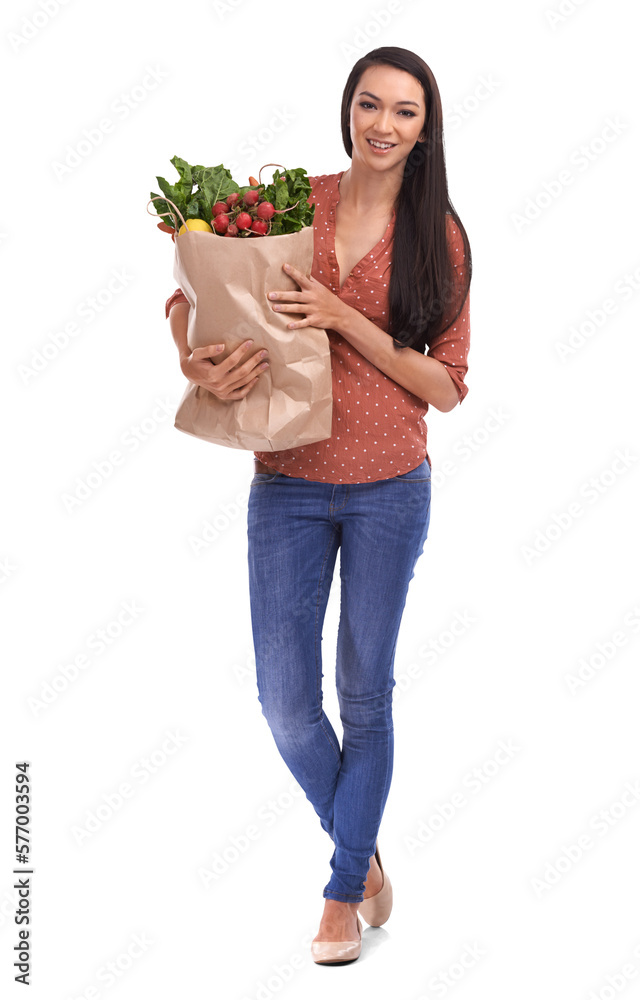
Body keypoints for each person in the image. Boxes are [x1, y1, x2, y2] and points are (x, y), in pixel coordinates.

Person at [165, 45, 471, 965]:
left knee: (363, 696)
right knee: (285, 705)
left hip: (389, 491)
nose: (383, 124)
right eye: (369, 105)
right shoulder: (301, 198)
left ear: (427, 128)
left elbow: (449, 388)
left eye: (405, 112)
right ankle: (366, 851)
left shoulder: (440, 236)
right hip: (288, 482)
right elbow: (192, 290)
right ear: (348, 110)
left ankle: (341, 894)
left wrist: (347, 321)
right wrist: (194, 351)